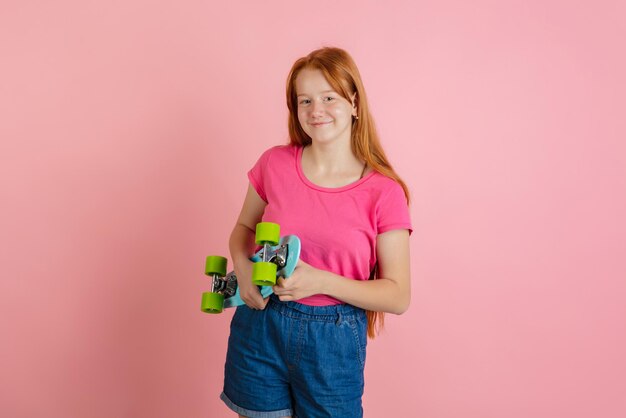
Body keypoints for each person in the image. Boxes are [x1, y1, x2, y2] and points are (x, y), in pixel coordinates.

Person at [220, 46, 412, 418]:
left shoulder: (384, 193)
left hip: (333, 342)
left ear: (354, 103)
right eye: (304, 100)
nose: (315, 110)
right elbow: (244, 228)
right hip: (260, 327)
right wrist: (243, 271)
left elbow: (398, 295)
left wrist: (320, 282)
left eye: (329, 97)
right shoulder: (274, 163)